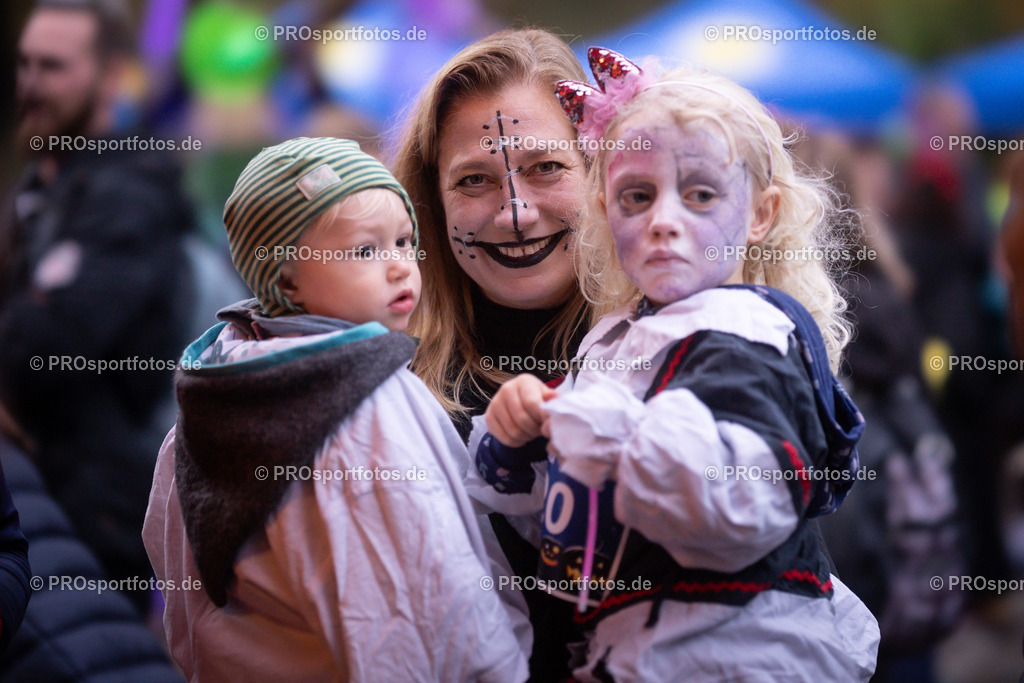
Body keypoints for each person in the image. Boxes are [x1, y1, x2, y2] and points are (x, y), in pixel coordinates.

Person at [469, 49, 880, 681]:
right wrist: (516, 437)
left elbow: (742, 504)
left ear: (761, 214)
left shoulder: (748, 336)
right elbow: (565, 524)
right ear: (606, 212)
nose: (664, 221)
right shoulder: (616, 341)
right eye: (638, 195)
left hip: (743, 656)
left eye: (700, 193)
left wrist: (605, 428)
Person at [143, 137, 529, 681]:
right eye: (365, 251)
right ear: (285, 279)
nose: (400, 268)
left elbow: (175, 575)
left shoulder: (213, 392)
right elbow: (428, 593)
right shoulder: (365, 400)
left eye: (402, 241)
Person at [391, 29, 593, 679]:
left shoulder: (691, 353)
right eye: (473, 180)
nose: (514, 213)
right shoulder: (393, 399)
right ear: (431, 203)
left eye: (547, 167)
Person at [0, 0, 194, 610]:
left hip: (98, 520)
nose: (30, 84)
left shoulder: (131, 189)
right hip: (27, 509)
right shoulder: (32, 193)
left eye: (53, 66)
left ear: (110, 77)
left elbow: (53, 342)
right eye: (23, 64)